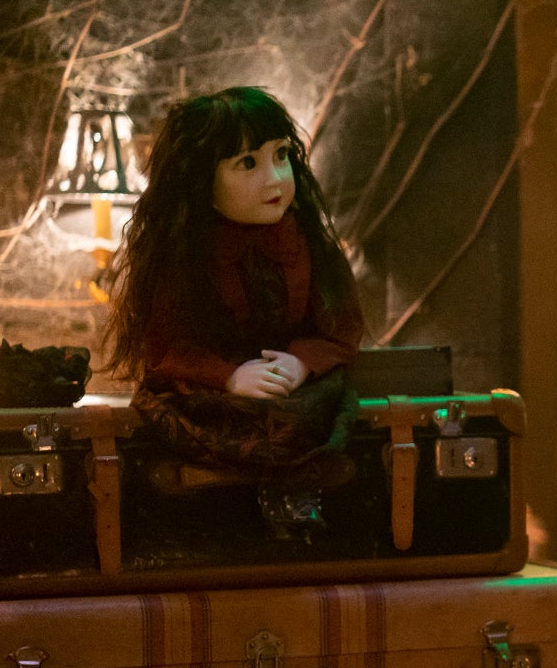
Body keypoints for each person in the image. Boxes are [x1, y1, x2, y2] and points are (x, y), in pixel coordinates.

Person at [102, 86, 365, 532]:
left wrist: (301, 363)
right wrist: (230, 376)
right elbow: (164, 346)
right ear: (201, 178)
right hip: (208, 390)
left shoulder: (307, 242)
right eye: (248, 163)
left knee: (317, 409)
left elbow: (339, 324)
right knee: (210, 419)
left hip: (292, 388)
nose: (275, 177)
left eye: (281, 155)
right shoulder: (182, 254)